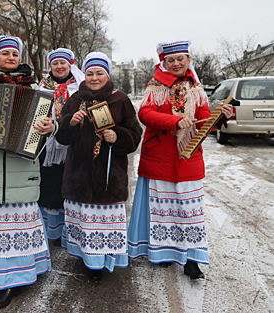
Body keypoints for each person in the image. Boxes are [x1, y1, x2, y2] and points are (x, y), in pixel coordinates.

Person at [127, 40, 233, 280]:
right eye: (170, 60)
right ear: (163, 62)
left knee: (189, 211)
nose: (175, 63)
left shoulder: (196, 90)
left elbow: (204, 121)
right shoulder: (155, 87)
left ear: (188, 60)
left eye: (180, 59)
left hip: (188, 158)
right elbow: (145, 114)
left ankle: (192, 260)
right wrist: (173, 121)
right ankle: (163, 254)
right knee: (163, 210)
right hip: (159, 157)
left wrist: (220, 117)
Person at [0, 35, 57, 309]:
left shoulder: (34, 86)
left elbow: (51, 122)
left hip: (23, 161)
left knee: (22, 223)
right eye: (5, 54)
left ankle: (27, 273)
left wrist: (49, 127)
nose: (11, 58)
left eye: (14, 54)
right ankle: (4, 282)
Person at [56, 52, 142, 281]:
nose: (94, 78)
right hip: (79, 172)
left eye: (99, 73)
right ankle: (87, 258)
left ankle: (103, 261)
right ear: (84, 75)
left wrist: (118, 136)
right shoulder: (75, 99)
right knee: (84, 220)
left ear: (107, 75)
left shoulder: (120, 99)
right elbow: (61, 136)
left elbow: (135, 134)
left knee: (103, 223)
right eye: (90, 73)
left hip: (109, 176)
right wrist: (70, 122)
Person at [37, 48, 85, 244]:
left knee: (69, 185)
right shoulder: (41, 86)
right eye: (55, 63)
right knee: (49, 184)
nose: (59, 67)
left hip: (72, 145)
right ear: (50, 67)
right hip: (47, 145)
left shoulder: (80, 88)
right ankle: (51, 231)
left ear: (70, 65)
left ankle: (69, 232)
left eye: (62, 63)